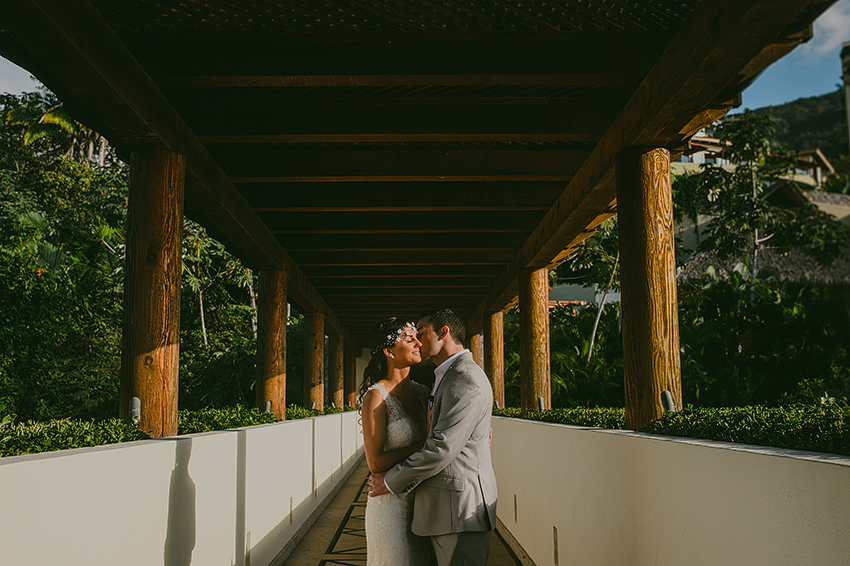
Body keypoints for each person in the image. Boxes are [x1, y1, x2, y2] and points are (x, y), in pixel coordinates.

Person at [369, 308, 498, 566]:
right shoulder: (443, 378)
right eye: (411, 336)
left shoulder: (464, 378)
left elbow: (441, 446)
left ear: (443, 332)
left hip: (457, 508)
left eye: (422, 333)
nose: (418, 340)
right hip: (433, 509)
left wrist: (391, 482)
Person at [360, 317, 433, 566]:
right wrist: (424, 443)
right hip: (389, 507)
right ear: (389, 351)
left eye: (417, 338)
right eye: (409, 339)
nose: (418, 344)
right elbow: (375, 463)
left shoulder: (425, 393)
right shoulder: (376, 397)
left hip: (424, 504)